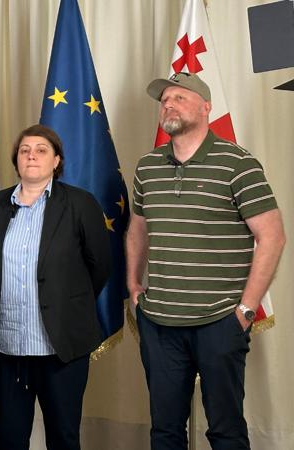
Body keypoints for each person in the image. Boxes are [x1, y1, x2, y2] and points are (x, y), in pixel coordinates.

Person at [126, 72, 286, 450]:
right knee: (165, 431)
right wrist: (133, 286)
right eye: (165, 100)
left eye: (180, 98)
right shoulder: (147, 166)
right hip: (160, 323)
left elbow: (272, 237)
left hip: (220, 321)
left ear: (206, 107)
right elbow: (137, 230)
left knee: (225, 431)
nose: (168, 104)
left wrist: (246, 309)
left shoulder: (238, 164)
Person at [0, 124, 111, 450]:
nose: (31, 156)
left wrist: (65, 301)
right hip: (8, 347)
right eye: (24, 151)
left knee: (63, 437)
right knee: (10, 438)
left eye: (41, 150)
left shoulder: (80, 204)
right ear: (16, 160)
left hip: (61, 348)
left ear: (56, 160)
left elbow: (100, 266)